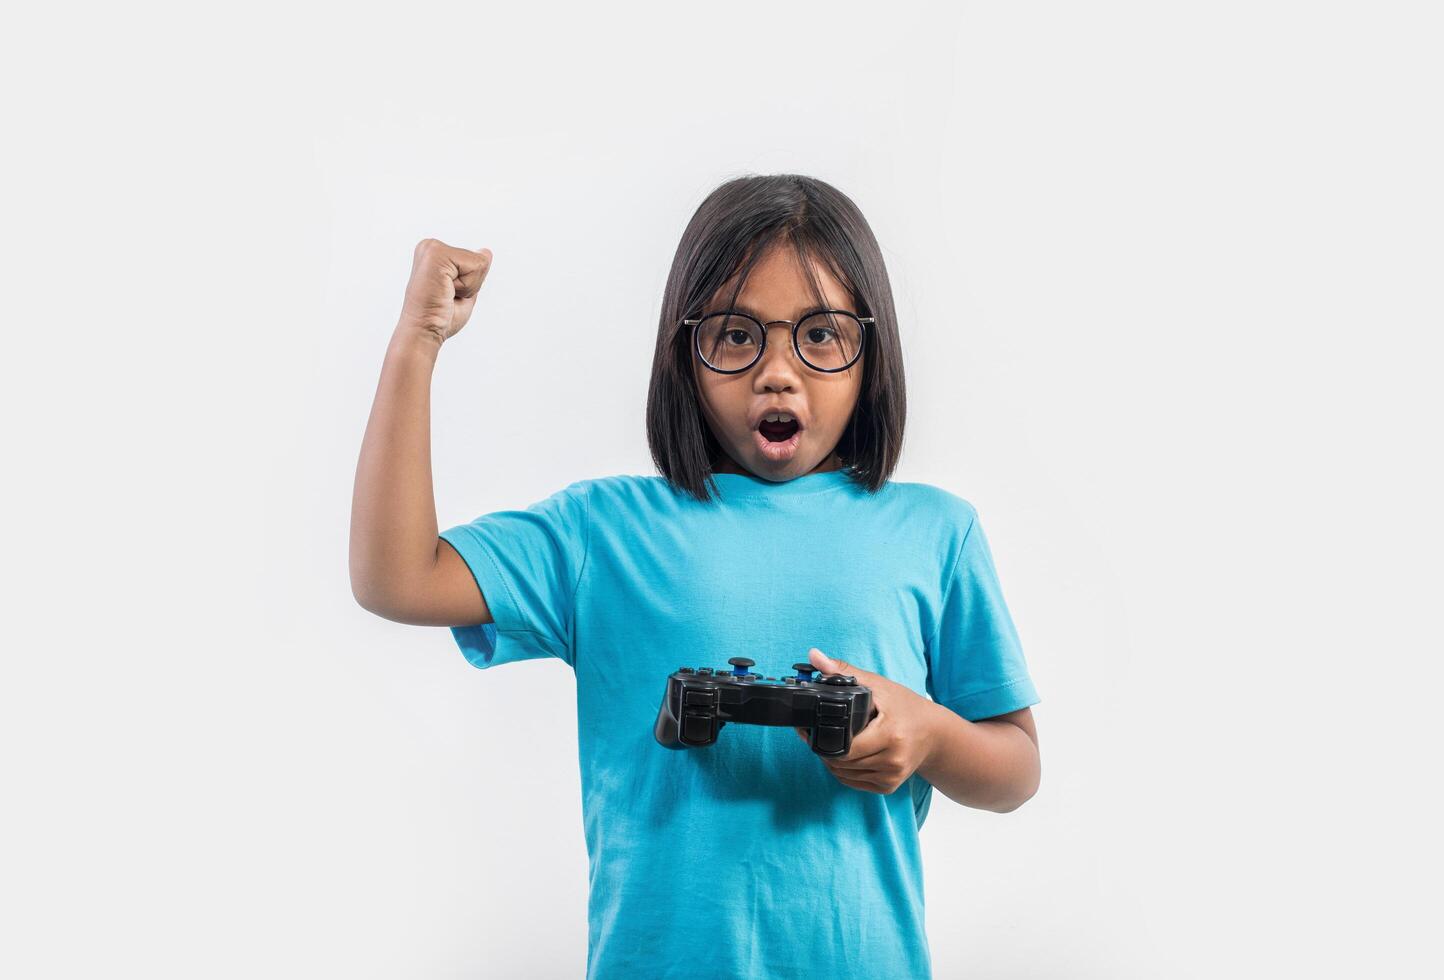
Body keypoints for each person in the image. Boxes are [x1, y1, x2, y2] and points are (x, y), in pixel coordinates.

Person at [349, 173, 1042, 979]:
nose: (777, 372)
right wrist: (417, 339)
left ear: (871, 351)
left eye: (819, 335)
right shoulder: (602, 533)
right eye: (735, 335)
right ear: (684, 354)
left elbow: (1015, 771)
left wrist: (929, 732)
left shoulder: (934, 531)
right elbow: (393, 576)